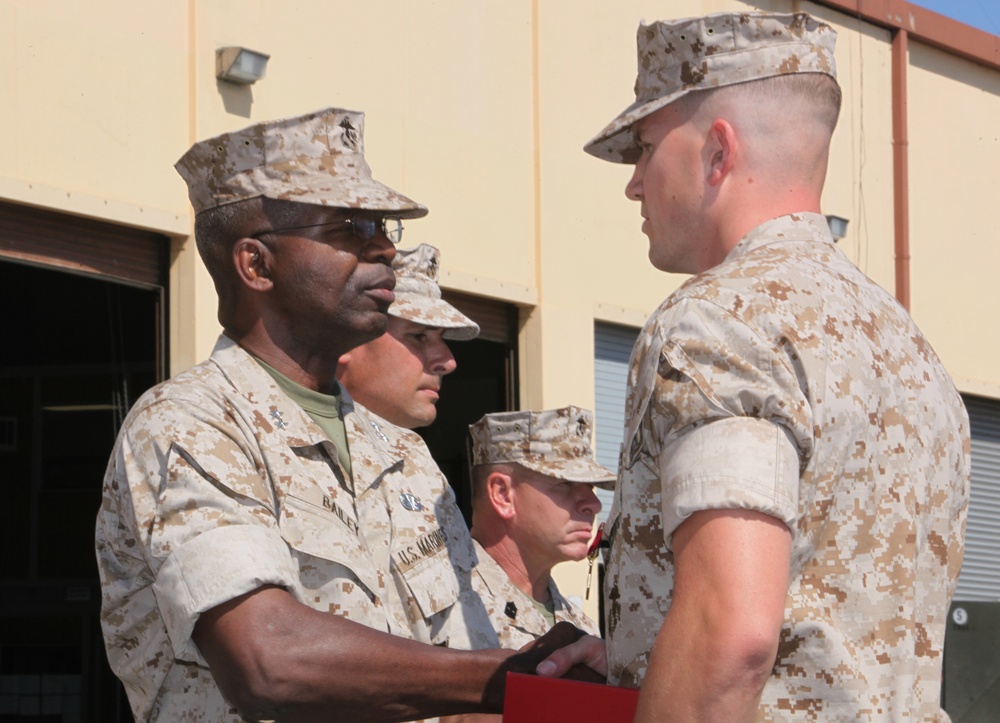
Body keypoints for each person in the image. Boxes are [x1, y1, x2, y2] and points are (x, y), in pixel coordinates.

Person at [95, 106, 603, 723]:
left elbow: (479, 646)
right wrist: (501, 679)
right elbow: (268, 660)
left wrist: (575, 665)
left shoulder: (401, 456)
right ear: (256, 264)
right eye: (350, 227)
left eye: (382, 224)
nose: (385, 246)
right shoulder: (190, 424)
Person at [583, 11, 970, 721]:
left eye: (642, 148)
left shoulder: (721, 322)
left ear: (717, 152)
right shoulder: (913, 353)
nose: (634, 184)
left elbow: (730, 636)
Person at [468, 406, 610, 647]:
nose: (594, 504)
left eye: (591, 487)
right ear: (503, 495)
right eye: (565, 483)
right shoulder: (448, 602)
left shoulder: (582, 629)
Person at [337, 242, 478, 430]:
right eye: (419, 336)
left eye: (441, 337)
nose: (448, 362)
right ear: (344, 340)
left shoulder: (412, 455)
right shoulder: (288, 448)